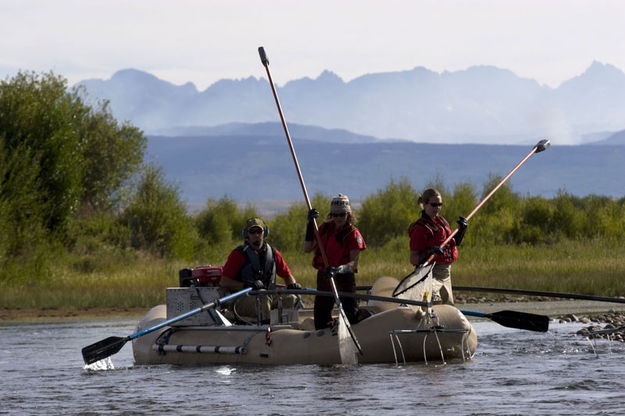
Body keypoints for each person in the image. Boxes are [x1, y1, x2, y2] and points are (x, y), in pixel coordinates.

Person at [220, 217, 302, 324]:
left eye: (259, 231)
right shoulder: (238, 255)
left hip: (267, 296)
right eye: (252, 232)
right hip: (241, 301)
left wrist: (293, 286)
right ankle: (266, 329)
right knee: (262, 296)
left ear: (265, 233)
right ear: (246, 235)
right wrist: (246, 285)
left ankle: (288, 328)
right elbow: (224, 282)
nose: (256, 235)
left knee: (291, 297)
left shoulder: (273, 254)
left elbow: (287, 276)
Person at [304, 194, 367, 330]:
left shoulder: (353, 234)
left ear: (348, 214)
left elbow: (353, 264)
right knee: (320, 321)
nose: (338, 218)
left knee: (352, 316)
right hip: (324, 277)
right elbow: (307, 248)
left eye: (342, 215)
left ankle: (369, 315)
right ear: (331, 214)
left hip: (344, 278)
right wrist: (309, 225)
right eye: (335, 215)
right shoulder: (325, 228)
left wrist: (338, 269)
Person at [408, 188, 468, 305]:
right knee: (435, 302)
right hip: (430, 273)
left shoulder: (442, 222)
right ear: (425, 204)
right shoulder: (420, 229)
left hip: (446, 273)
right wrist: (430, 252)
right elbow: (413, 258)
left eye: (440, 204)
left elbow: (452, 243)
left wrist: (462, 230)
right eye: (434, 205)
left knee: (448, 307)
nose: (437, 208)